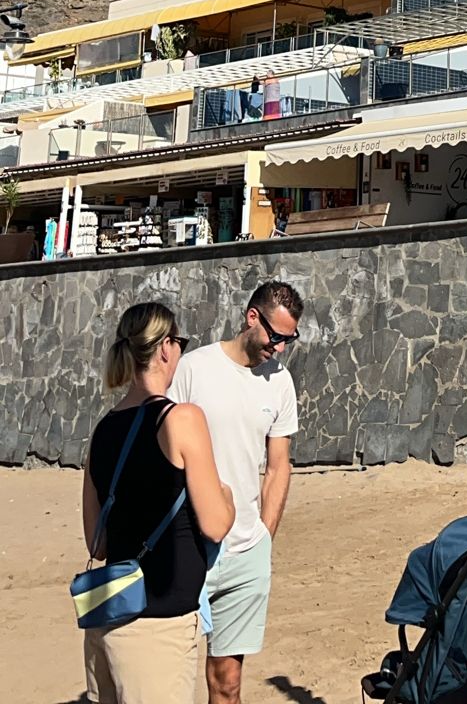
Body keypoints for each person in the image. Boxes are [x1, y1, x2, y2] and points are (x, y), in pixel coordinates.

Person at [81, 300, 235, 704]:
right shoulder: (181, 419)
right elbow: (216, 523)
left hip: (108, 615)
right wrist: (228, 498)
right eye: (179, 342)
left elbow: (97, 543)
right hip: (159, 623)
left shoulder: (102, 431)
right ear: (165, 347)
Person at [172, 279, 302, 704]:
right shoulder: (194, 368)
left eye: (289, 339)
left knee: (227, 684)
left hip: (246, 553)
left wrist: (265, 534)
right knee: (166, 681)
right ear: (251, 318)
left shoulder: (280, 382)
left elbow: (279, 465)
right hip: (188, 547)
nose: (280, 347)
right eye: (276, 336)